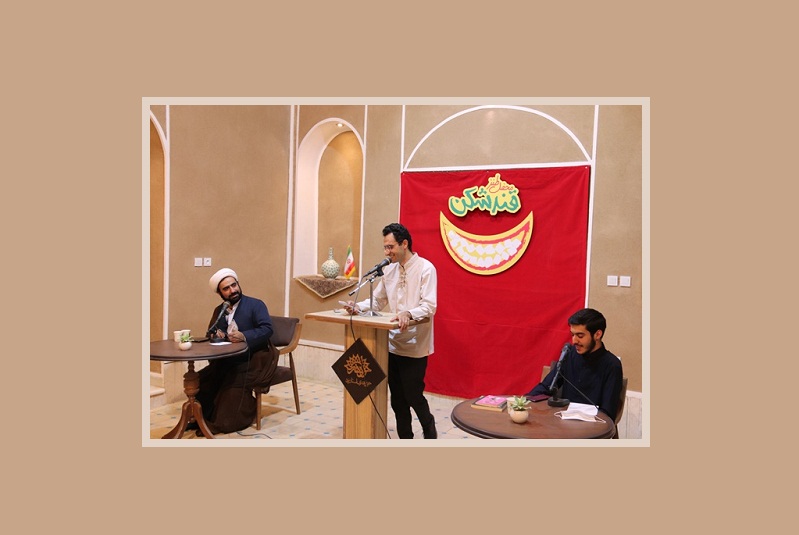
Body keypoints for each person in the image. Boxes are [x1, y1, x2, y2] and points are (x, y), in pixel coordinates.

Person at [345, 223, 438, 439]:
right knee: (397, 399)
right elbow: (378, 301)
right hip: (391, 342)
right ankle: (405, 439)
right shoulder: (389, 270)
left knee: (413, 395)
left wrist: (409, 313)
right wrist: (358, 307)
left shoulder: (426, 268)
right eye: (385, 247)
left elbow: (429, 306)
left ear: (404, 244)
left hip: (415, 345)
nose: (387, 252)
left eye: (390, 247)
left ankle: (429, 428)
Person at [192, 268, 279, 434]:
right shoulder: (219, 310)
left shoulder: (256, 305)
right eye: (226, 288)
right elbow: (211, 332)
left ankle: (221, 423)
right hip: (228, 360)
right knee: (202, 380)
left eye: (234, 285)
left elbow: (267, 329)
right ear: (220, 293)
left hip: (254, 358)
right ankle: (199, 419)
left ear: (238, 284)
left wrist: (244, 336)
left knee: (232, 385)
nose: (232, 290)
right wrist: (216, 335)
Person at [527, 308, 624, 421]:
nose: (574, 341)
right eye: (573, 335)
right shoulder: (569, 354)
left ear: (597, 334)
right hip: (562, 421)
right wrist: (523, 402)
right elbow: (546, 387)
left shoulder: (612, 365)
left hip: (592, 425)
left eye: (580, 336)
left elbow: (608, 412)